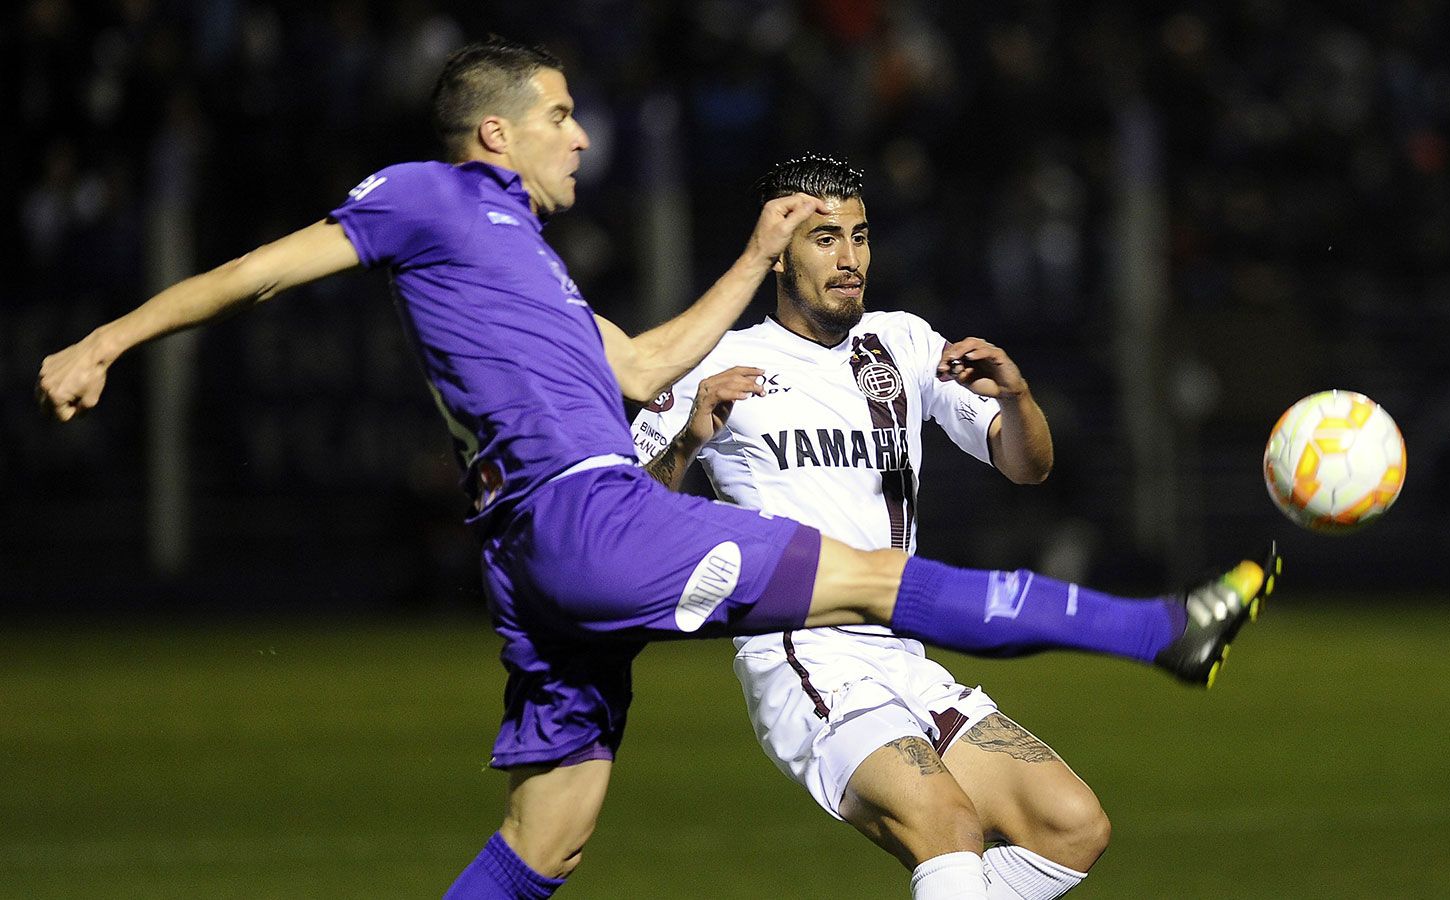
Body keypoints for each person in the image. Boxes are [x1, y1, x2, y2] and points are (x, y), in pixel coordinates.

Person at [35, 39, 1278, 900]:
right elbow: (261, 268)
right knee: (878, 579)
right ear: (494, 132)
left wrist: (749, 253)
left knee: (550, 841)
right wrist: (109, 338)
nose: (582, 133)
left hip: (534, 553)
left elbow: (640, 367)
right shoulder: (429, 198)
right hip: (588, 514)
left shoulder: (530, 262)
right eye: (561, 114)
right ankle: (1156, 628)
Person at [629, 153, 1230, 898]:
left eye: (861, 235)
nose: (851, 259)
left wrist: (1015, 398)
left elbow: (1027, 465)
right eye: (825, 239)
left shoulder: (903, 342)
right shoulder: (717, 357)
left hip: (902, 651)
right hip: (805, 654)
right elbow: (627, 522)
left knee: (1071, 825)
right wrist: (687, 440)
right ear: (777, 255)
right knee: (946, 826)